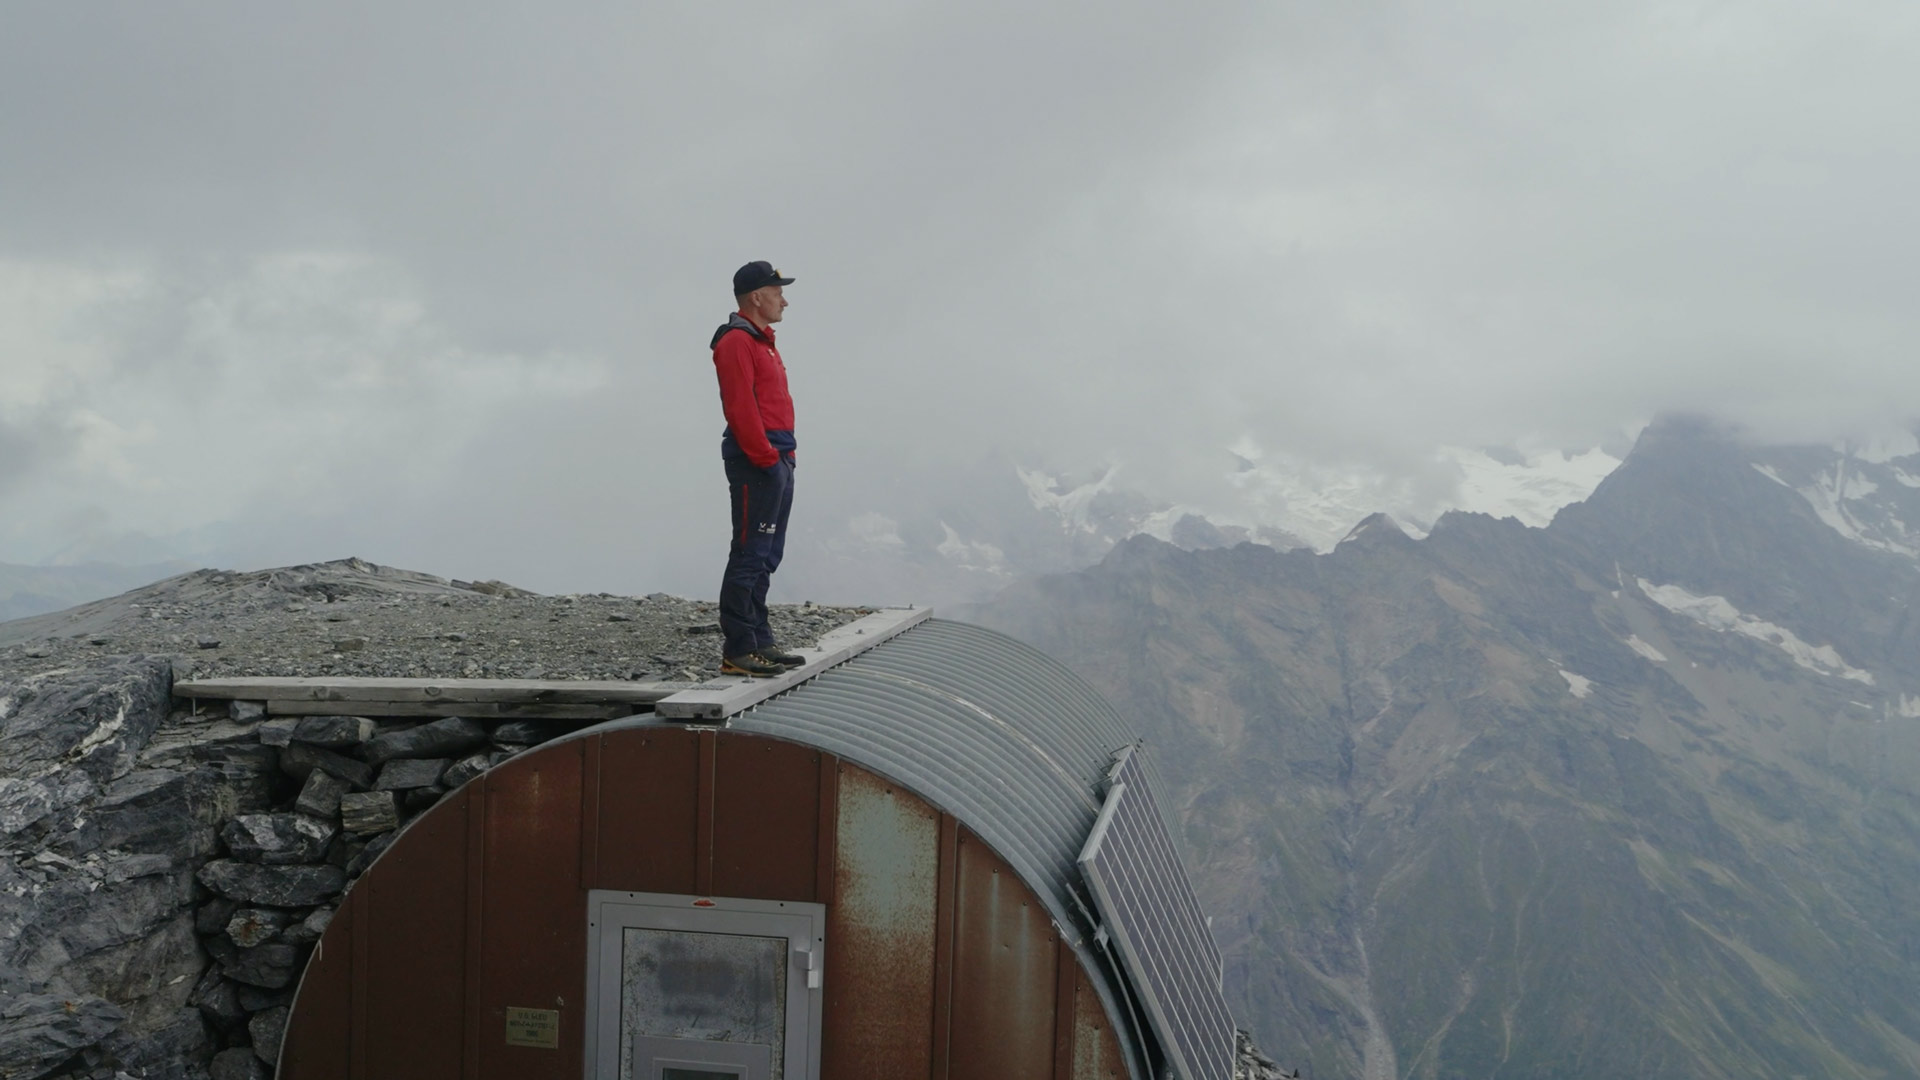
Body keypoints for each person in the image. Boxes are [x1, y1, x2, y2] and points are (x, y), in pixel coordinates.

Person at [710, 261, 808, 678]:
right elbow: (740, 406)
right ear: (756, 297)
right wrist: (766, 457)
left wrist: (784, 458)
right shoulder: (736, 342)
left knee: (767, 554)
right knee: (750, 553)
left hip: (778, 457)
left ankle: (760, 640)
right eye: (776, 291)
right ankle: (739, 648)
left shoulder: (761, 341)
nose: (783, 299)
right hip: (759, 462)